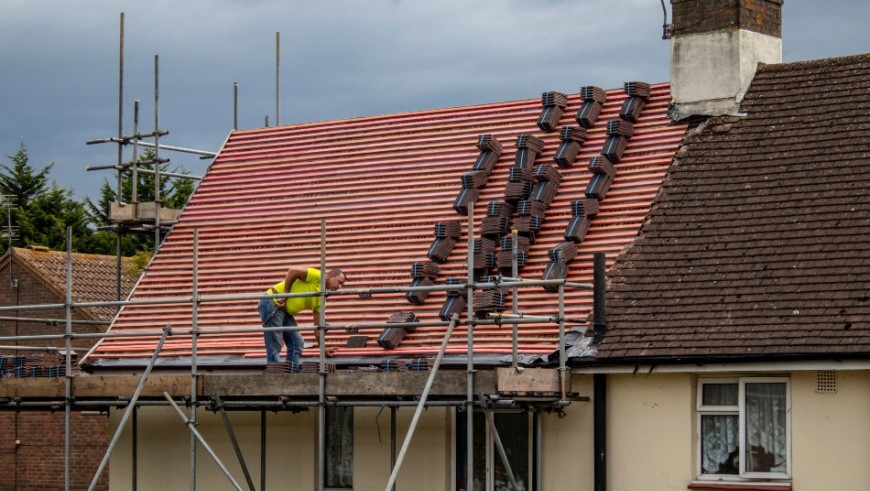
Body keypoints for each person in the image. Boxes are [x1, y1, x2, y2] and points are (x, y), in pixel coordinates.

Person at [258, 266, 347, 370]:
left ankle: (290, 374)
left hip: (285, 311)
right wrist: (286, 294)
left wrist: (323, 348)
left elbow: (318, 328)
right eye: (339, 282)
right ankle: (274, 376)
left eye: (342, 285)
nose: (339, 287)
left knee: (297, 342)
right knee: (275, 341)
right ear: (330, 276)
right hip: (273, 302)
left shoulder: (321, 300)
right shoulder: (318, 276)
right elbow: (293, 271)